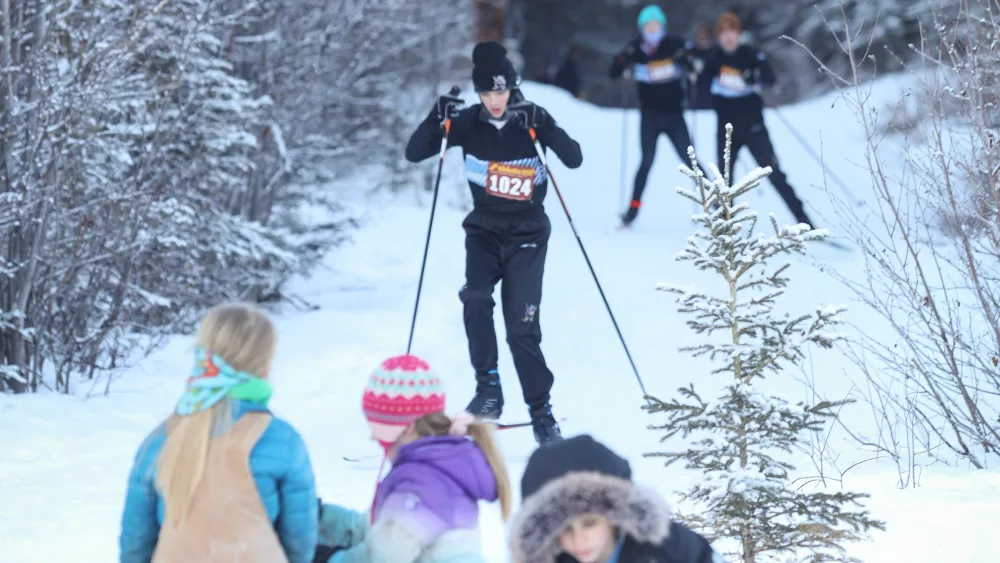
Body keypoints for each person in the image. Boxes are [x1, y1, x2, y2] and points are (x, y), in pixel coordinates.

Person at [404, 41, 582, 445]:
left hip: (527, 235)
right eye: (486, 93)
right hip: (483, 231)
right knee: (476, 299)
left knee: (522, 328)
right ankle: (489, 390)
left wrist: (545, 126)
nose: (495, 100)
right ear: (478, 93)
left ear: (513, 88)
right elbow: (415, 152)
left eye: (501, 91)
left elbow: (574, 158)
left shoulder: (529, 119)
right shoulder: (467, 123)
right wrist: (436, 118)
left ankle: (542, 413)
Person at [119, 303, 318, 563]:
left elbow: (136, 543)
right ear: (265, 367)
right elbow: (299, 544)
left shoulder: (161, 439)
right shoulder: (283, 440)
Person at [314, 354, 512, 562]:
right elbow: (374, 527)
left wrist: (326, 559)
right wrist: (319, 515)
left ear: (407, 429)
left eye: (377, 427)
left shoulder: (419, 486)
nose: (373, 437)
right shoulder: (439, 468)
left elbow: (381, 558)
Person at [508, 434, 717, 563]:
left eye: (589, 523)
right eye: (564, 528)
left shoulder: (669, 547)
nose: (579, 539)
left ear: (614, 515)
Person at [703, 12, 813, 227]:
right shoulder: (713, 59)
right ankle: (726, 228)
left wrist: (755, 76)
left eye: (732, 31)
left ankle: (804, 221)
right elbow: (699, 88)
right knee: (724, 182)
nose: (728, 37)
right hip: (726, 132)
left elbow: (770, 78)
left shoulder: (751, 54)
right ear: (719, 36)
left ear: (738, 33)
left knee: (775, 174)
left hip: (754, 128)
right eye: (724, 32)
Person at [609, 4, 694, 227]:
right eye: (648, 26)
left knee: (690, 161)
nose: (652, 30)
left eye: (656, 25)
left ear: (663, 26)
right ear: (641, 28)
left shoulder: (674, 44)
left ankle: (717, 206)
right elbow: (613, 72)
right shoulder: (635, 48)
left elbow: (694, 66)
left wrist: (686, 61)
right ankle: (633, 209)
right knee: (646, 162)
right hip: (649, 116)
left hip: (675, 115)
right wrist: (622, 59)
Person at [685, 23, 716, 111]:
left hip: (713, 102)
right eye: (700, 35)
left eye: (705, 35)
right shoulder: (691, 52)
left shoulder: (715, 53)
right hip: (695, 103)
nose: (702, 38)